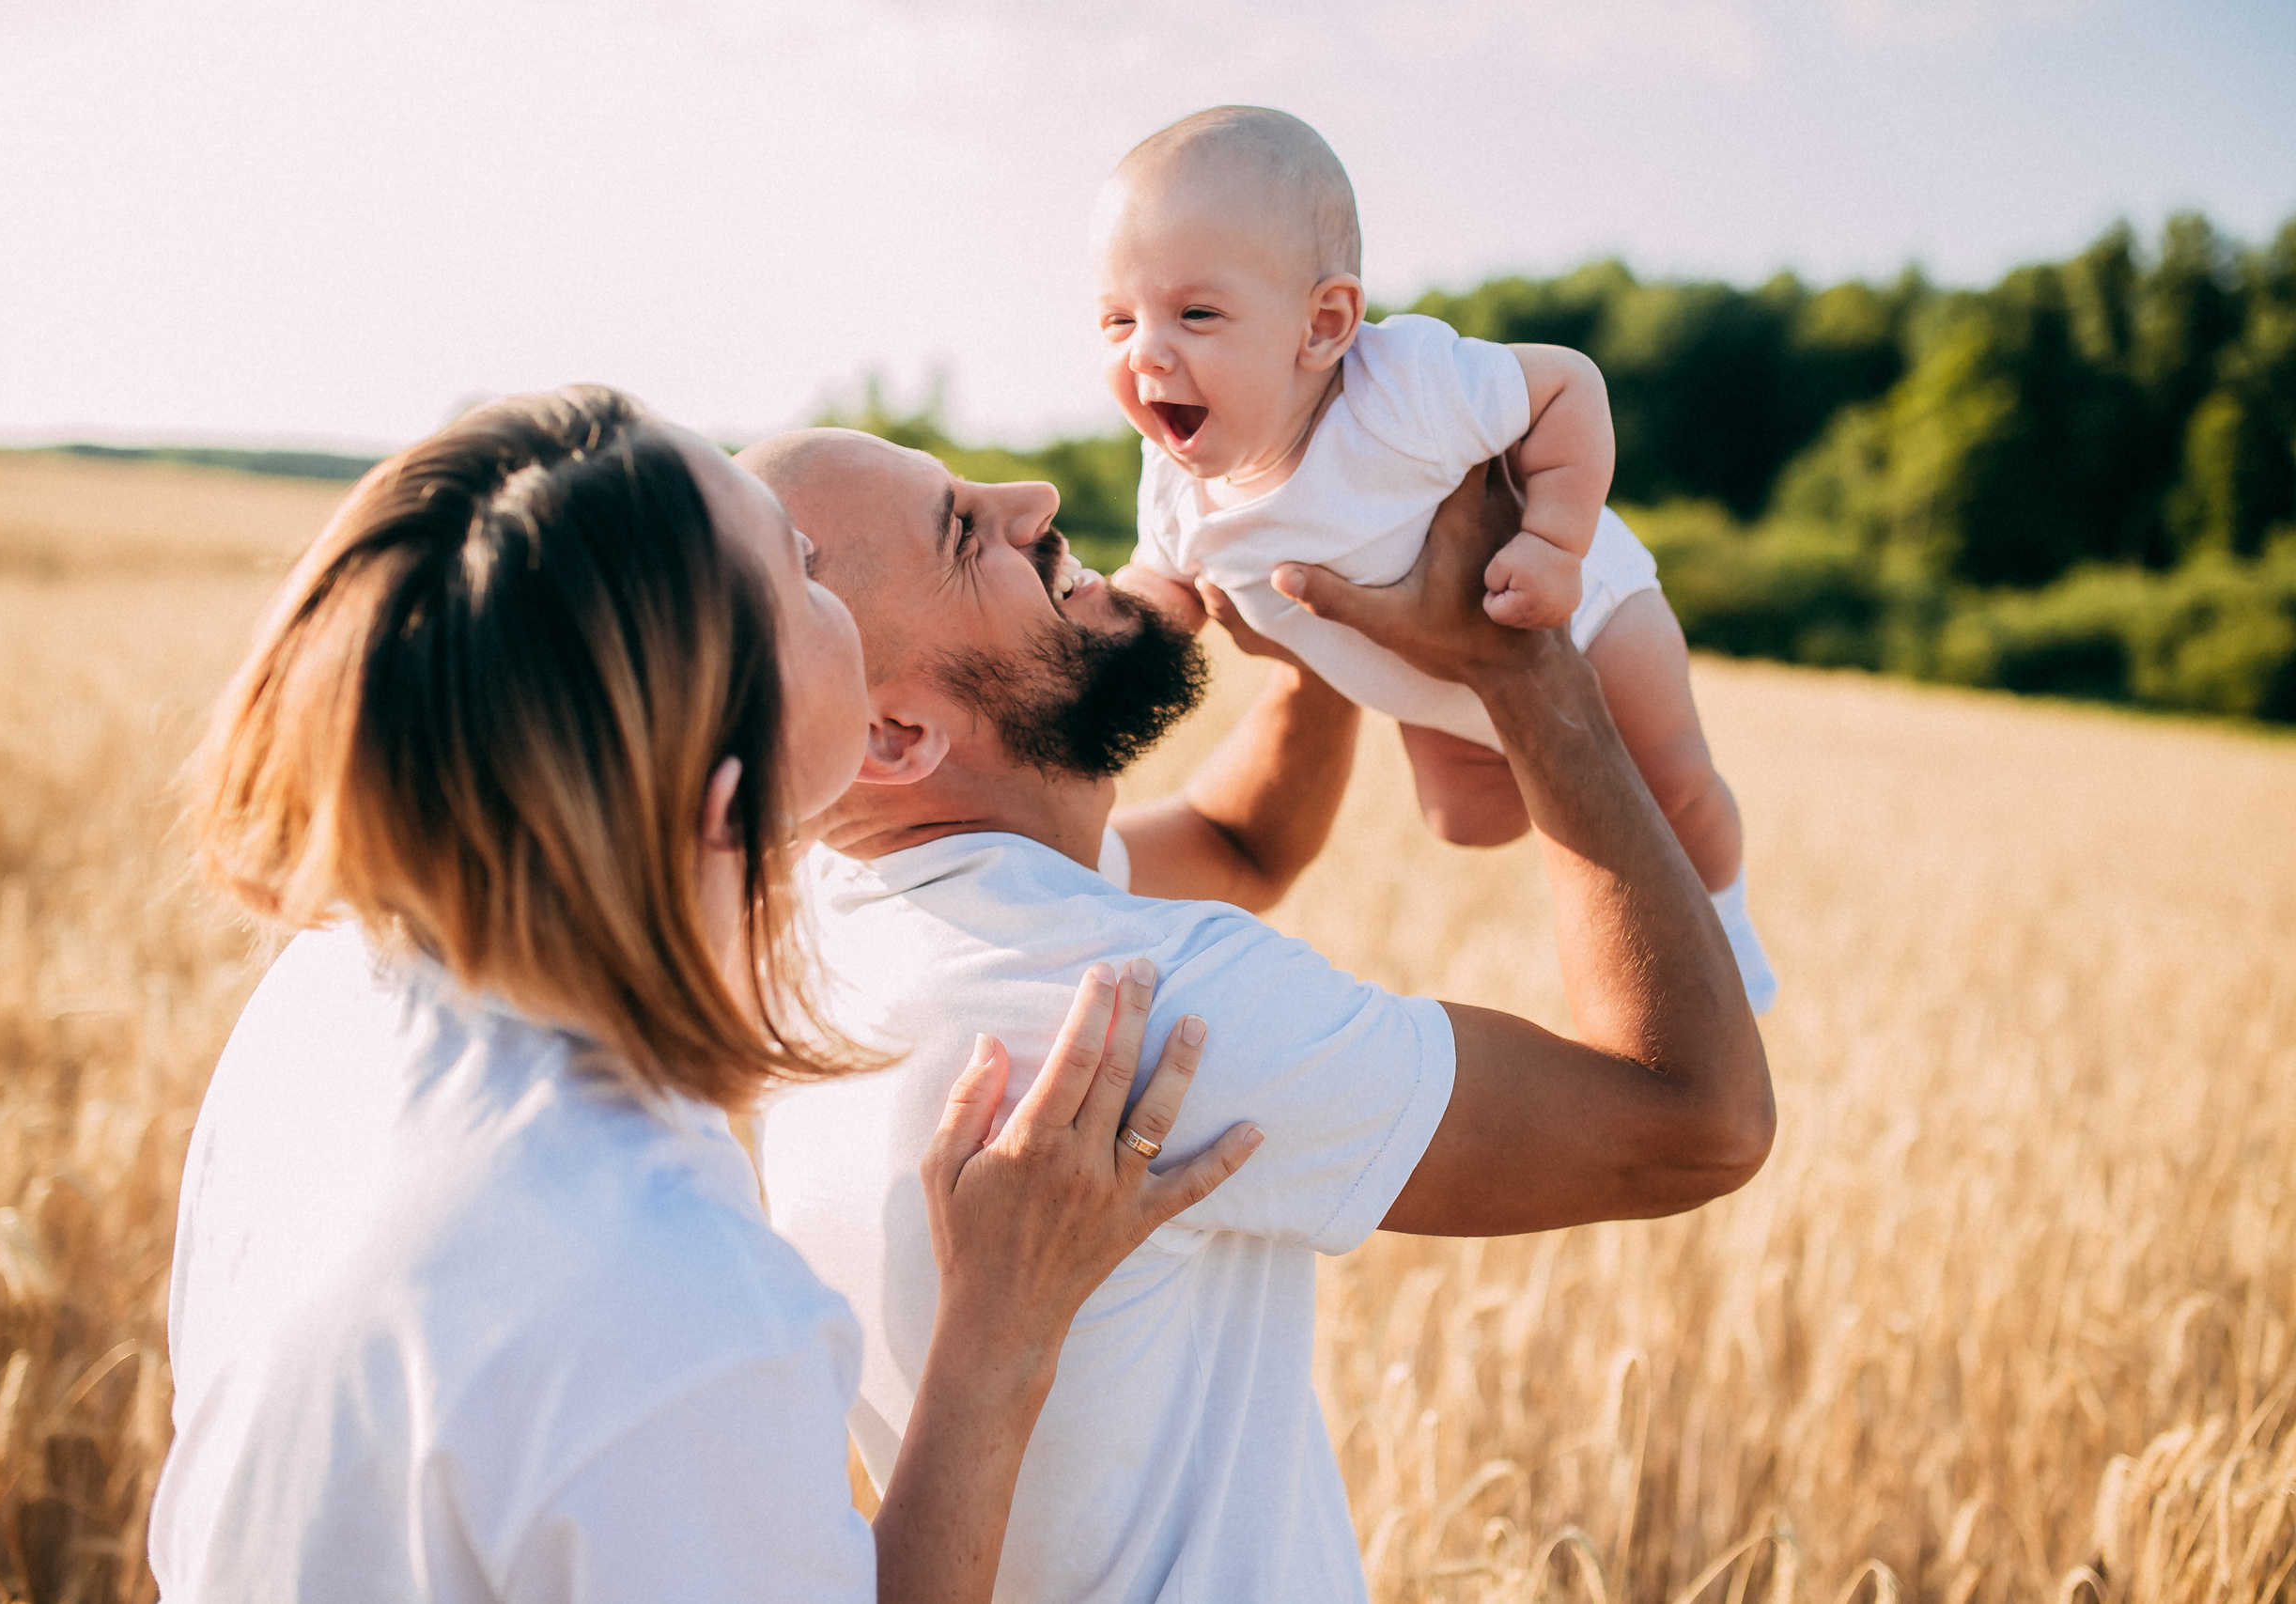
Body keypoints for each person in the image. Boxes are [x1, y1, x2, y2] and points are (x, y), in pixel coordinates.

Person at [146, 386, 1263, 1603]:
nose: (830, 578)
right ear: (727, 790)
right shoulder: (672, 1299)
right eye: (804, 575)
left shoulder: (328, 994)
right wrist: (1002, 1327)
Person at [741, 424, 1776, 1603]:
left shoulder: (839, 921)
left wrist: (1302, 614)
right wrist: (1525, 668)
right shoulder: (1148, 1008)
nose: (1033, 498)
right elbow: (1697, 1120)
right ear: (893, 736)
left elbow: (1243, 843)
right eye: (965, 533)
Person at [1098, 105, 1775, 1010]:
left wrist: (1553, 542)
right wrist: (1098, 642)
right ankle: (1545, 773)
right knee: (1461, 819)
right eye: (1116, 321)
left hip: (1592, 616)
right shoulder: (1178, 486)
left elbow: (1570, 387)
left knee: (1675, 785)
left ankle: (1725, 924)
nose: (1147, 351)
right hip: (1429, 683)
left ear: (1324, 325)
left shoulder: (1401, 388)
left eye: (1196, 313)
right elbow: (1158, 589)